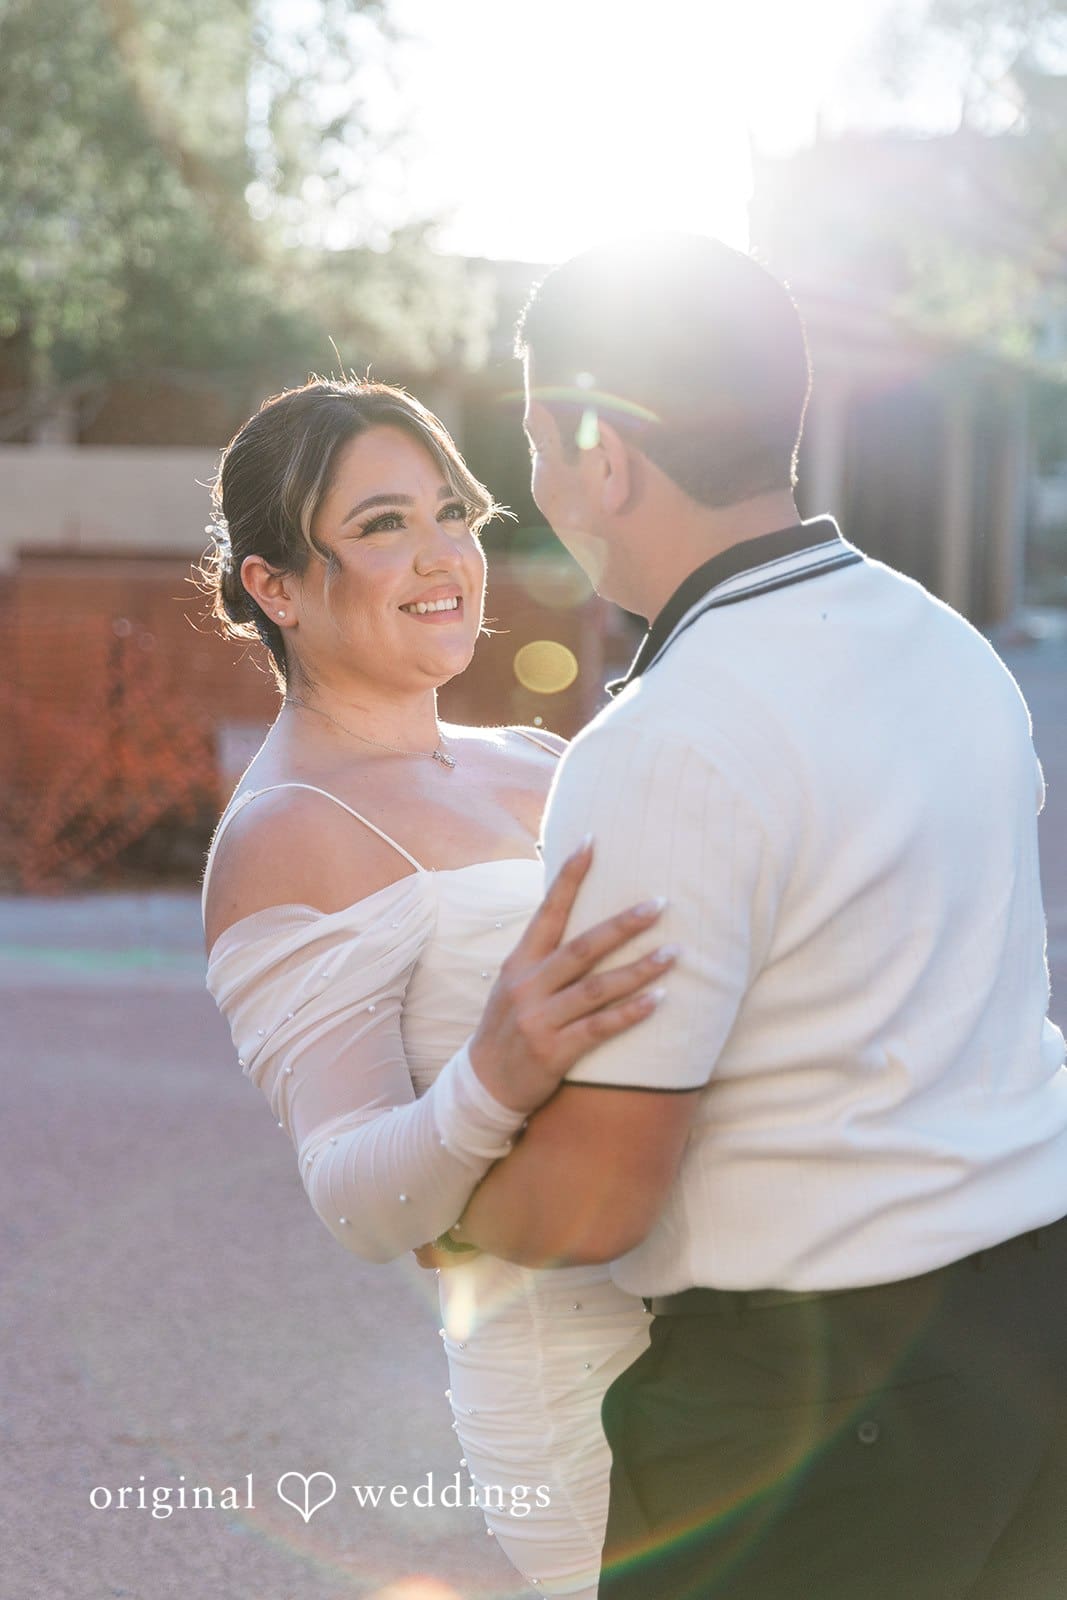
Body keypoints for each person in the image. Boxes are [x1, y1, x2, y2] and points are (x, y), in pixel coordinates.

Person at [452, 235, 1067, 1598]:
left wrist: (446, 1186)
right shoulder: (941, 643)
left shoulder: (667, 739)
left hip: (817, 1399)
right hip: (1026, 1334)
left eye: (540, 443)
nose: (539, 486)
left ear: (602, 454)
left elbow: (600, 1195)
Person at [198, 376, 670, 1597]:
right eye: (380, 524)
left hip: (734, 1317)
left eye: (449, 510)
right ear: (275, 587)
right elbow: (353, 1195)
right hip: (581, 1384)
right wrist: (492, 1073)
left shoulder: (541, 755)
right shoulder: (285, 832)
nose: (443, 552)